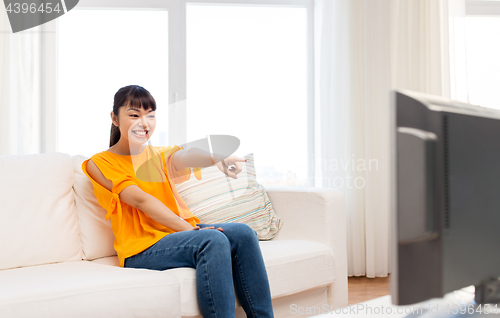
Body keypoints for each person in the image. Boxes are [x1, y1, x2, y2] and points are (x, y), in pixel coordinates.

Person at [81, 85, 274, 317]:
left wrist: (219, 158)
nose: (144, 123)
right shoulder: (99, 162)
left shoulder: (158, 155)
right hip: (141, 249)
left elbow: (187, 156)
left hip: (177, 235)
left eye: (150, 115)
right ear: (114, 118)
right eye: (134, 115)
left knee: (243, 233)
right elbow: (141, 200)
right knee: (211, 240)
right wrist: (192, 230)